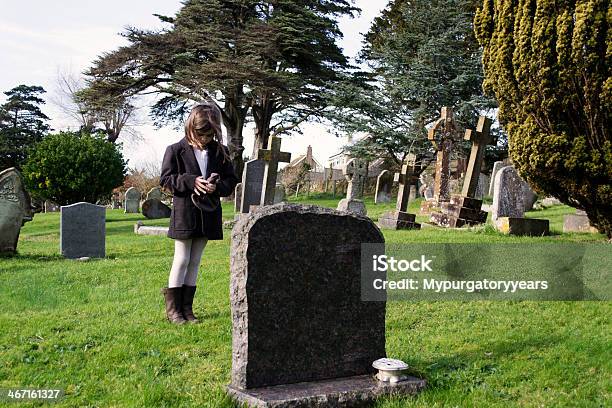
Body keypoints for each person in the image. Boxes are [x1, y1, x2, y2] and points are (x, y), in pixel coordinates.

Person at [159, 102, 238, 324]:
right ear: (191, 128)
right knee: (182, 258)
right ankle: (174, 311)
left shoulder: (220, 152)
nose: (205, 139)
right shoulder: (175, 150)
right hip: (185, 213)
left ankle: (187, 309)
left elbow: (231, 180)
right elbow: (165, 180)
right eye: (201, 134)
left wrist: (217, 186)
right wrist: (191, 181)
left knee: (195, 261)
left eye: (210, 135)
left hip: (209, 213)